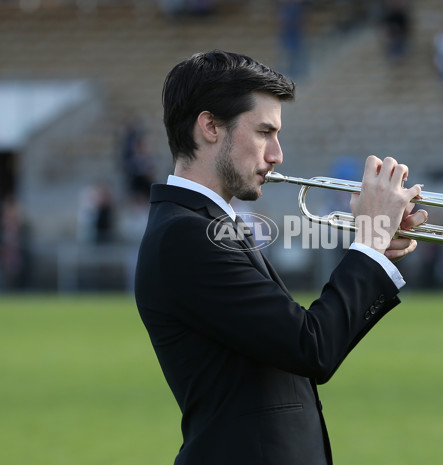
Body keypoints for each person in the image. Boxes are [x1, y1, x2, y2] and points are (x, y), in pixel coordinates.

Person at [134, 50, 427, 465]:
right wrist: (369, 245)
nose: (277, 154)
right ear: (210, 126)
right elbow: (312, 347)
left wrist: (373, 250)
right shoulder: (186, 234)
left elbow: (293, 350)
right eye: (264, 132)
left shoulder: (202, 225)